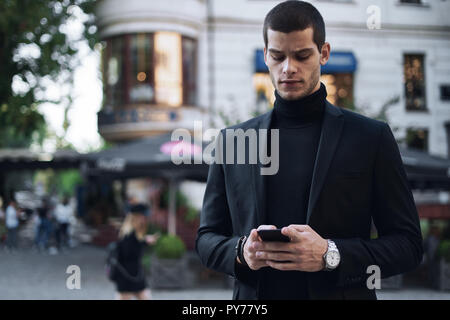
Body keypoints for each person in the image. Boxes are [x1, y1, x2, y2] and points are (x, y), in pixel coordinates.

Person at [196, 1, 423, 300]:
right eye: (277, 56)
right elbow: (206, 240)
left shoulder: (371, 137)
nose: (289, 68)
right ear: (265, 56)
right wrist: (241, 251)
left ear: (324, 53)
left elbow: (408, 246)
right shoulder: (232, 140)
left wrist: (332, 254)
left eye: (302, 55)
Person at [113, 204, 158, 300]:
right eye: (144, 217)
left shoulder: (131, 233)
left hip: (133, 276)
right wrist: (144, 242)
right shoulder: (129, 234)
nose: (146, 220)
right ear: (137, 217)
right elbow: (129, 254)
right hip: (127, 277)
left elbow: (134, 247)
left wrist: (144, 241)